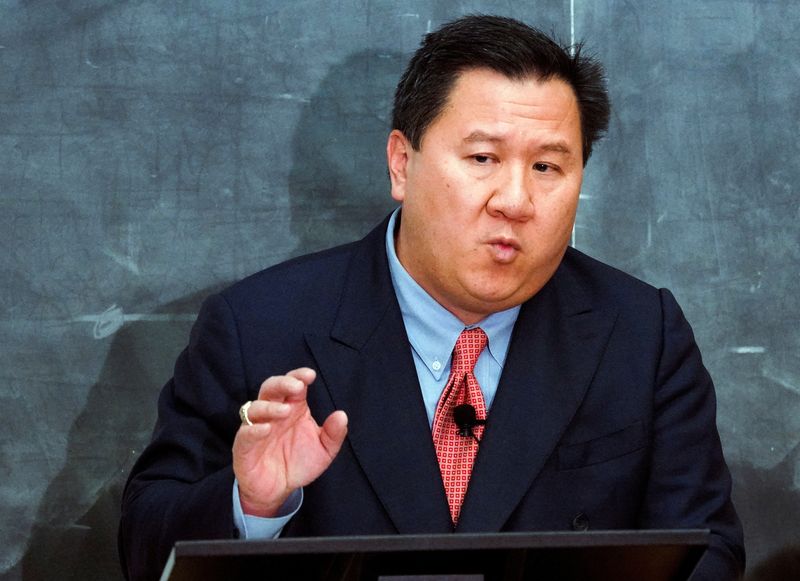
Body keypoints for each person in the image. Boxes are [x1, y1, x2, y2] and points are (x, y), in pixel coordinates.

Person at [119, 15, 745, 580]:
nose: (514, 201)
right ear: (401, 163)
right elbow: (142, 550)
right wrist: (251, 502)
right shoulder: (258, 326)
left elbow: (707, 551)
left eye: (548, 168)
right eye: (482, 157)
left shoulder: (640, 332)